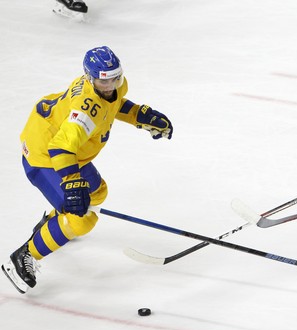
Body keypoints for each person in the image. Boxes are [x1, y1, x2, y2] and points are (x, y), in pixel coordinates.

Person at [2, 46, 173, 294]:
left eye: (116, 77)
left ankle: (50, 226)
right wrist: (71, 183)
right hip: (45, 155)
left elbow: (114, 105)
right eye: (106, 81)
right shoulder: (84, 109)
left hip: (69, 149)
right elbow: (60, 147)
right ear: (90, 78)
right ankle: (23, 256)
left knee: (97, 193)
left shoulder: (110, 87)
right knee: (81, 221)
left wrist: (138, 115)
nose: (113, 84)